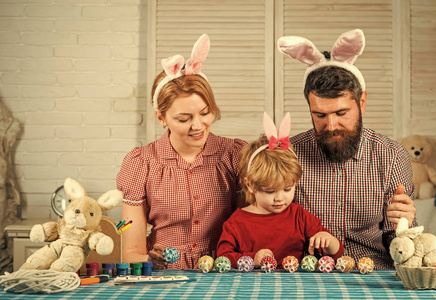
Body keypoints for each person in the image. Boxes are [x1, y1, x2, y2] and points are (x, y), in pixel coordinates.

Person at [278, 29, 416, 270]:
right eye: (319, 115)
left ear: (361, 102)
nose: (331, 126)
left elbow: (403, 248)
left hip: (373, 273)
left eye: (341, 113)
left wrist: (404, 224)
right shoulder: (289, 153)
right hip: (305, 273)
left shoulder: (392, 156)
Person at [116, 34, 247, 269]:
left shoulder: (234, 155)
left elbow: (251, 228)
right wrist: (149, 260)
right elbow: (131, 252)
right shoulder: (140, 163)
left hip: (224, 270)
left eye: (205, 113)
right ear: (161, 117)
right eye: (184, 118)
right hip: (164, 274)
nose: (198, 126)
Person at [217, 113, 343, 268]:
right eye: (270, 191)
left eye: (287, 189)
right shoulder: (236, 223)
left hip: (293, 286)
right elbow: (222, 259)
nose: (280, 198)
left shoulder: (299, 216)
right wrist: (253, 259)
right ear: (249, 185)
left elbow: (337, 253)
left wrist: (328, 240)